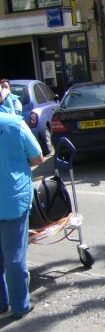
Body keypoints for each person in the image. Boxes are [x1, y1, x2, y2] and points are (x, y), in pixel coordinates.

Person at [0, 112, 44, 319]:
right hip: (11, 199)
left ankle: (1, 302)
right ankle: (20, 305)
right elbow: (37, 157)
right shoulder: (14, 123)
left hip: (10, 199)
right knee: (14, 255)